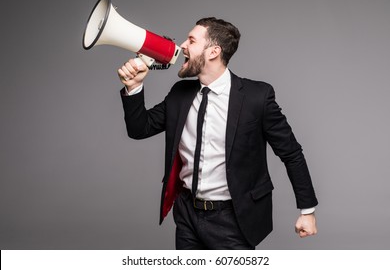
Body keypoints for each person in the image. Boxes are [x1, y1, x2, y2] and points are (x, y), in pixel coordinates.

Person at [117, 17, 318, 250]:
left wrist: (308, 211)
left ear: (213, 51)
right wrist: (133, 88)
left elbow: (291, 153)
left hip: (233, 219)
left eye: (191, 40)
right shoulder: (180, 93)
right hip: (187, 215)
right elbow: (139, 129)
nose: (182, 45)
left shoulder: (257, 97)